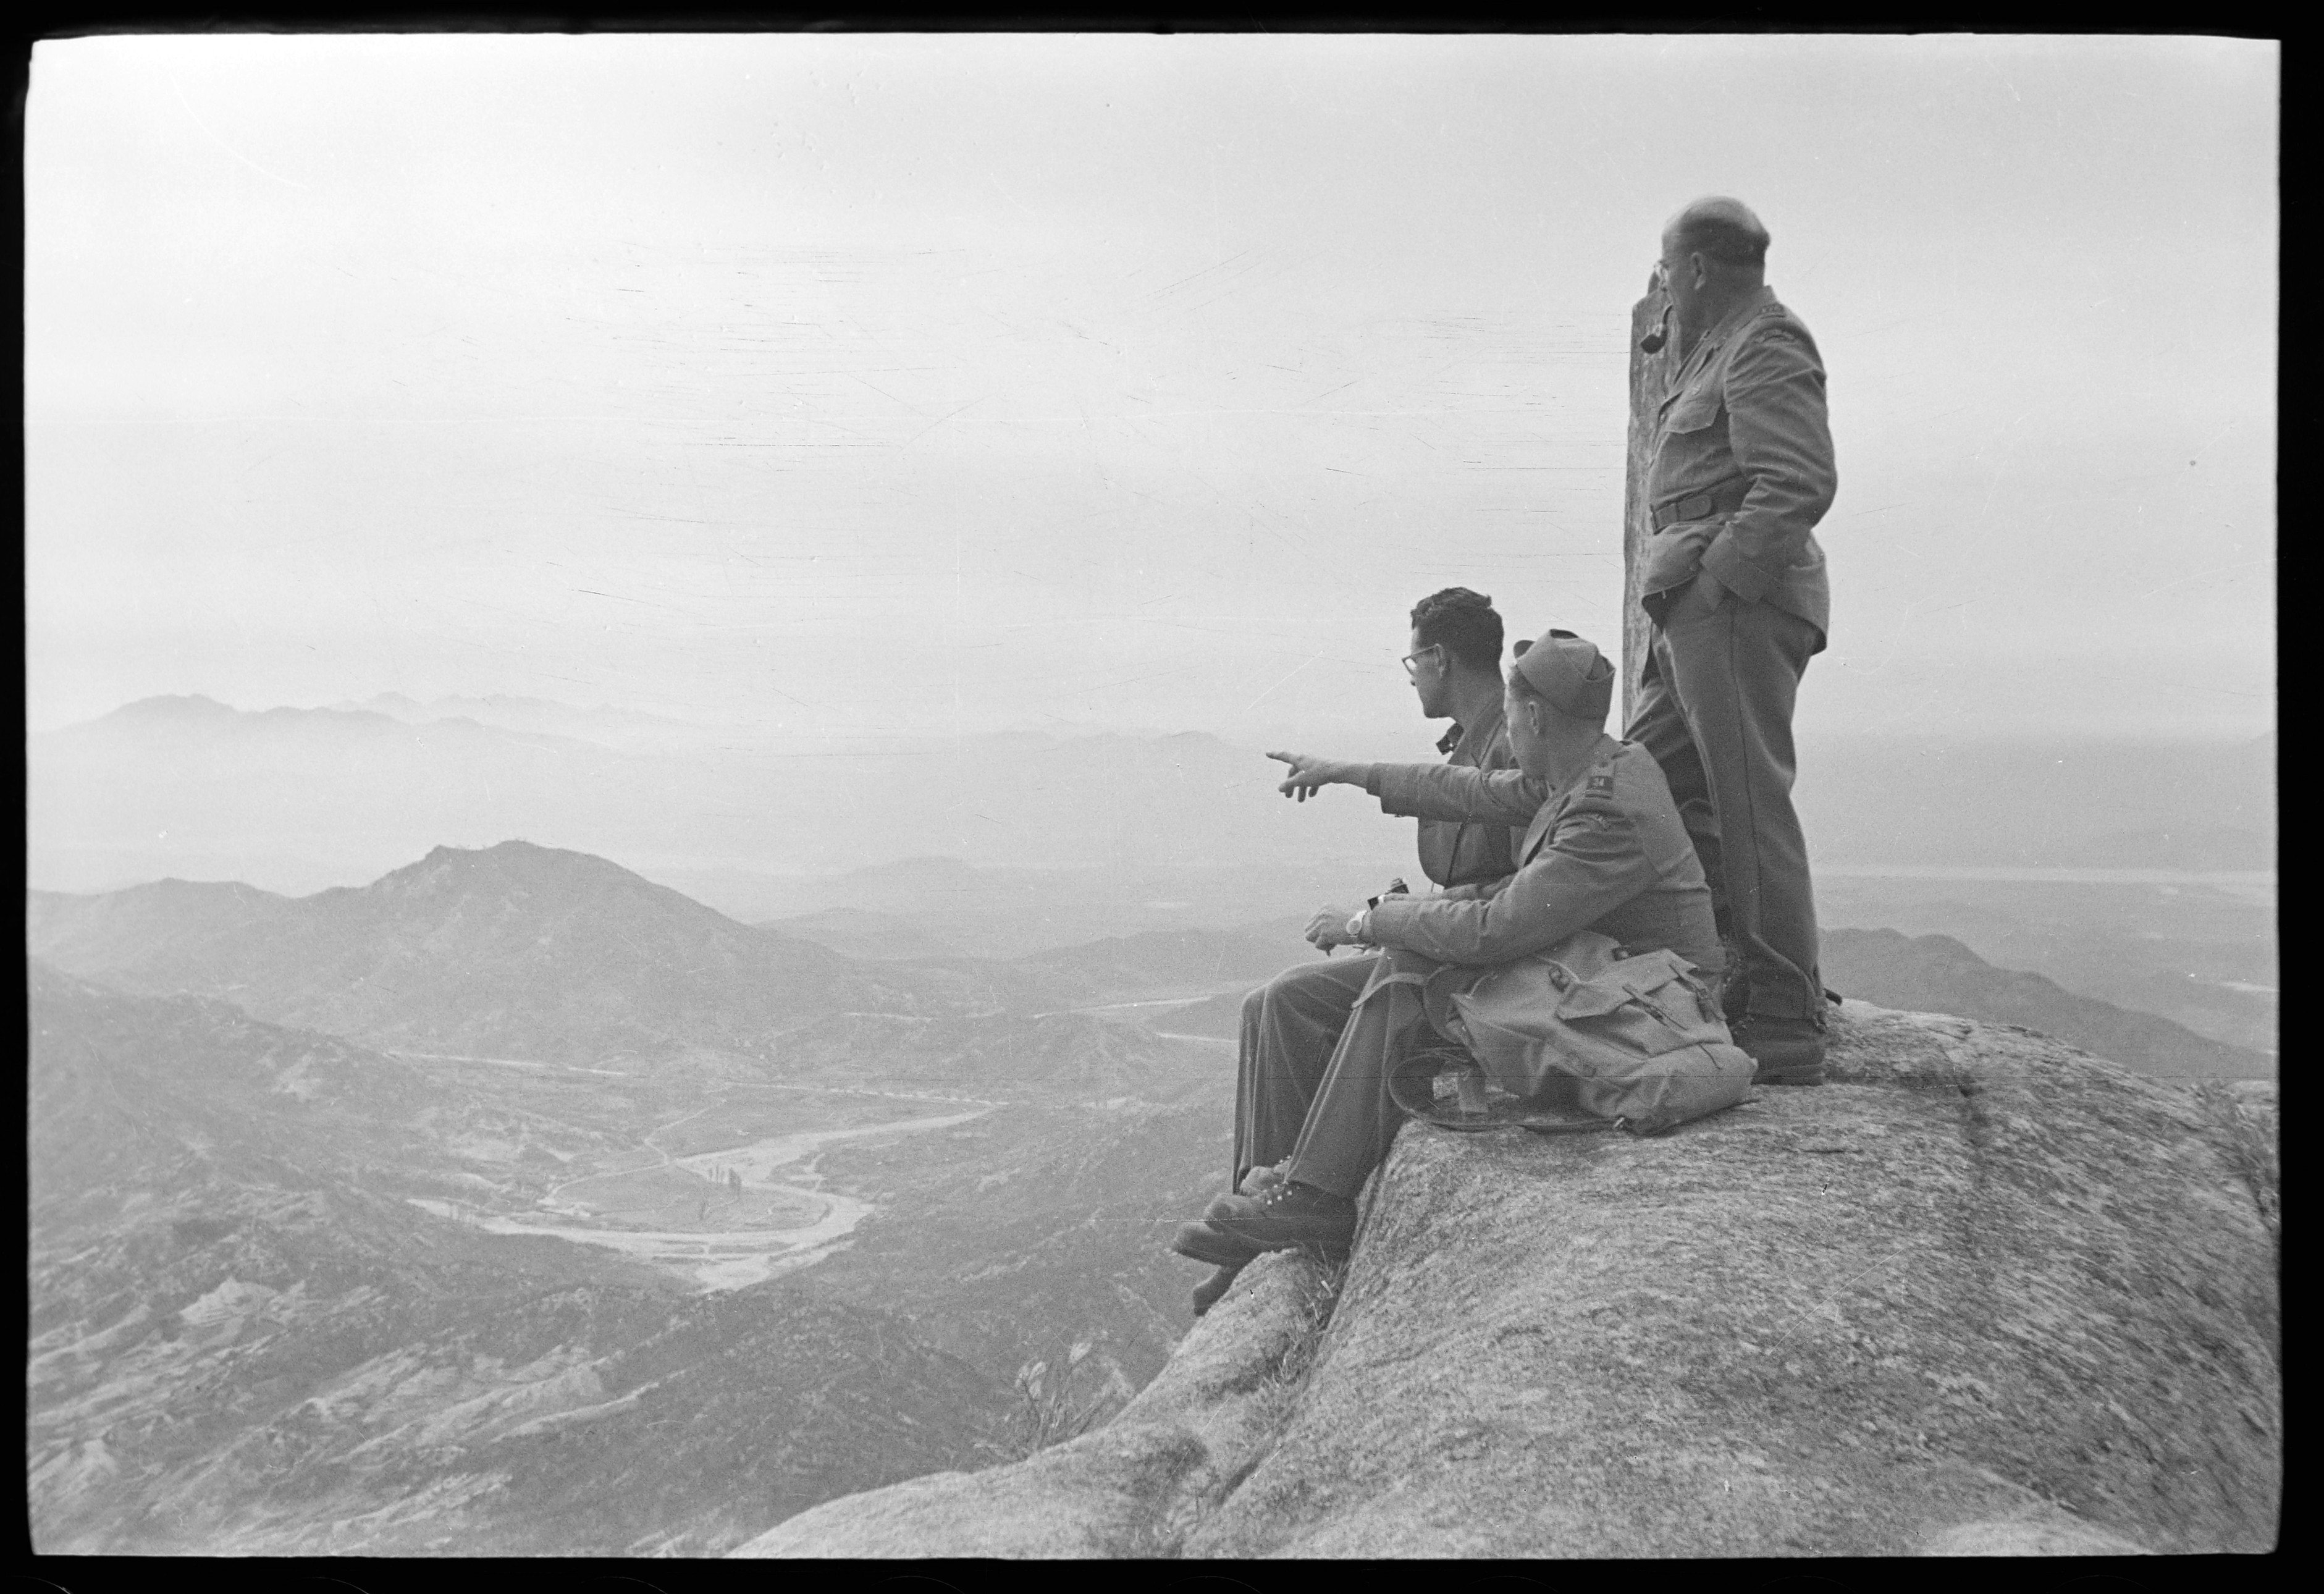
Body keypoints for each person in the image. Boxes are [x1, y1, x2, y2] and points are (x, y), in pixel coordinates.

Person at [1176, 628, 1718, 1262]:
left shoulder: (1607, 811)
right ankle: (1268, 1202)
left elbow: (1496, 932)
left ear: (1535, 716)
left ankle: (1316, 1197)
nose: (1506, 734)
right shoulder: (1579, 766)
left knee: (1412, 972)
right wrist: (1350, 774)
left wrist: (1369, 922)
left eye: (1512, 715)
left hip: (1637, 1007)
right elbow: (1471, 792)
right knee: (1291, 1001)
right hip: (1578, 974)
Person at [1187, 587, 1518, 1315]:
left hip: (1491, 967)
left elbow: (1515, 899)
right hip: (1449, 948)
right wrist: (1402, 906)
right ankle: (1263, 1222)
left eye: (1413, 661)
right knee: (1279, 1002)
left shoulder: (1513, 744)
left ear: (1438, 657)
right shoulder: (1469, 742)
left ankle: (1307, 1198)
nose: (1412, 678)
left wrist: (1382, 916)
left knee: (1368, 979)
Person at [1630, 196, 1836, 1082]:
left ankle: (1783, 1013)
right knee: (1647, 784)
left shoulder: (1765, 341)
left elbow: (1795, 481)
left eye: (1668, 269)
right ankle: (1720, 975)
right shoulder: (1712, 346)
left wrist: (1718, 587)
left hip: (1731, 603)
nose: (1664, 284)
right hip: (1688, 604)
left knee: (1746, 805)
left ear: (1700, 268)